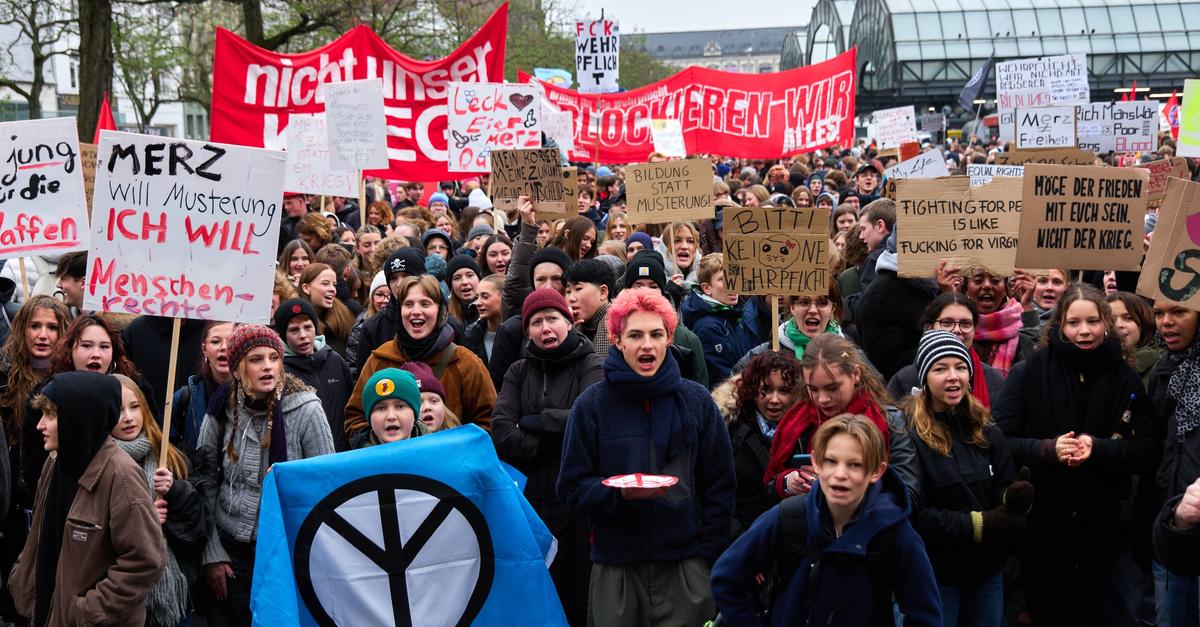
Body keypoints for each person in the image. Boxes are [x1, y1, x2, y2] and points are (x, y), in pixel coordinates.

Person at [556, 287, 734, 626]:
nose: (647, 345)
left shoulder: (696, 401)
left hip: (686, 567)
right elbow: (571, 487)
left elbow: (720, 484)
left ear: (669, 337)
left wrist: (709, 554)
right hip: (616, 569)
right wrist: (618, 494)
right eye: (635, 335)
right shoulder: (592, 405)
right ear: (618, 341)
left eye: (656, 334)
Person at [993, 284, 1156, 626]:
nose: (1084, 331)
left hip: (1101, 520)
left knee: (1093, 607)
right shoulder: (1030, 372)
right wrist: (1046, 449)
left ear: (1105, 324)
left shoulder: (1125, 378)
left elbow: (1145, 449)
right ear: (1060, 327)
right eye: (1074, 322)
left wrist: (1100, 449)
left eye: (1093, 321)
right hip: (1044, 520)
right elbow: (998, 440)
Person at [710, 414, 941, 627]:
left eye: (855, 464)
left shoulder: (894, 532)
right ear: (816, 462)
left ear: (876, 471)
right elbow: (726, 578)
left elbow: (925, 613)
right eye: (831, 461)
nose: (840, 474)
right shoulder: (790, 517)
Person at [193, 325, 335, 626]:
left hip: (285, 550)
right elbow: (204, 482)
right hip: (230, 550)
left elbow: (326, 488)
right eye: (256, 359)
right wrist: (212, 553)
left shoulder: (307, 409)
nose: (268, 366)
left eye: (274, 357)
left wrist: (290, 483)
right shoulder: (221, 407)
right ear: (237, 367)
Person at [9, 371, 164, 626]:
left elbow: (145, 560)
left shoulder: (121, 476)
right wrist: (22, 578)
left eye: (51, 415)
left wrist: (87, 611)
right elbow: (40, 534)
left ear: (77, 418)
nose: (40, 425)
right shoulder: (54, 463)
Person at [491, 288, 604, 625]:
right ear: (527, 331)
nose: (546, 328)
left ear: (569, 322)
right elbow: (501, 431)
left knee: (577, 595)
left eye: (552, 318)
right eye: (537, 322)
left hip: (577, 502)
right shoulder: (517, 372)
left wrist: (535, 422)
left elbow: (588, 420)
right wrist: (545, 443)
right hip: (531, 503)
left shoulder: (591, 363)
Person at [904, 331, 1027, 627]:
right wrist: (979, 523)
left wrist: (1012, 500)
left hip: (986, 572)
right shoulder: (910, 436)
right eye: (940, 368)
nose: (952, 377)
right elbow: (917, 513)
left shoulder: (987, 429)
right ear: (924, 376)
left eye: (960, 367)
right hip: (936, 572)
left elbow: (1002, 486)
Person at [764, 334, 920, 505]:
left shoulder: (891, 422)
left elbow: (908, 494)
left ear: (855, 374)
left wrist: (838, 485)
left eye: (832, 388)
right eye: (813, 389)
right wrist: (787, 483)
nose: (822, 399)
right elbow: (770, 488)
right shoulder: (796, 422)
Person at [345, 274, 496, 441]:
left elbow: (489, 421)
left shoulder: (465, 362)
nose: (416, 311)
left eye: (425, 304)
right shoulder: (380, 360)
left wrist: (452, 450)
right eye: (408, 304)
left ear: (441, 311)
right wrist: (380, 449)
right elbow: (355, 419)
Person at [111, 374, 205, 627]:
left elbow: (196, 533)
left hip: (175, 594)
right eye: (118, 410)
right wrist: (144, 519)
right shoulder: (101, 464)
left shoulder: (170, 457)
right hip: (124, 597)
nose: (129, 418)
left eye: (134, 407)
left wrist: (177, 492)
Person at [0, 296, 68, 621]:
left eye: (52, 327)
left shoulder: (73, 382)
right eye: (35, 326)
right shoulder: (3, 379)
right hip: (16, 508)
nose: (43, 335)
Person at [1147, 298, 1200, 625]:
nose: (1166, 321)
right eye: (1158, 313)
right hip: (1173, 524)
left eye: (1178, 312)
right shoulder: (1164, 369)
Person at [726, 351, 802, 535]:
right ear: (753, 390)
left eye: (783, 391)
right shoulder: (731, 429)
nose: (774, 400)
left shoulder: (805, 433)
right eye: (766, 390)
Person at [887, 293, 1007, 406]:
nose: (957, 330)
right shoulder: (903, 380)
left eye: (966, 324)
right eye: (947, 323)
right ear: (930, 327)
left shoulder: (994, 381)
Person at [274, 298, 353, 452]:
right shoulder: (279, 370)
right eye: (294, 330)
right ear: (283, 335)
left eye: (308, 327)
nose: (303, 335)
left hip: (345, 455)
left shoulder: (335, 360)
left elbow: (353, 407)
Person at [681, 253, 767, 387]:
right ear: (707, 288)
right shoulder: (708, 327)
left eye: (734, 277)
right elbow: (721, 377)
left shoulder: (736, 314)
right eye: (723, 279)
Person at [170, 320, 235, 461]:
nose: (224, 347)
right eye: (216, 342)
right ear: (204, 349)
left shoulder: (254, 396)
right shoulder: (183, 398)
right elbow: (169, 449)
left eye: (231, 341)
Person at [964, 267, 1036, 376]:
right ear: (967, 289)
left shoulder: (1022, 323)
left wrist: (1027, 304)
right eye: (978, 280)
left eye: (995, 281)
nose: (987, 285)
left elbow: (1034, 363)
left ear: (1005, 290)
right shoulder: (956, 326)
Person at [353, 367, 426, 447]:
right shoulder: (358, 458)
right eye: (381, 408)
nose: (391, 416)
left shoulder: (437, 453)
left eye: (400, 406)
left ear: (415, 412)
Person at [297, 263, 356, 356]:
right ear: (306, 288)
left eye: (334, 285)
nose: (332, 289)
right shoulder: (295, 319)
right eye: (325, 284)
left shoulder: (343, 318)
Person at [1107, 291, 1162, 383]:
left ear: (1144, 323)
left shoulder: (1160, 369)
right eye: (1111, 319)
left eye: (1128, 318)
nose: (1118, 325)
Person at [564, 258, 615, 358]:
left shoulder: (620, 325)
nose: (571, 299)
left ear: (603, 292)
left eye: (578, 289)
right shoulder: (573, 327)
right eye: (568, 291)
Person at [400, 361, 460, 433]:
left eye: (434, 401)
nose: (427, 407)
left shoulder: (462, 440)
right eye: (418, 402)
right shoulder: (392, 443)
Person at [446, 255, 481, 326]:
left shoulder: (493, 309)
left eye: (470, 275)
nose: (464, 282)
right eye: (457, 278)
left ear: (479, 279)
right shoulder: (445, 315)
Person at [664, 221, 701, 287]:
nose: (684, 246)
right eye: (677, 240)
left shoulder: (708, 277)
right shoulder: (654, 278)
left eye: (690, 241)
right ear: (665, 245)